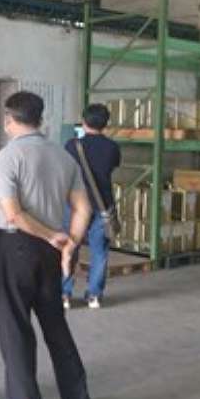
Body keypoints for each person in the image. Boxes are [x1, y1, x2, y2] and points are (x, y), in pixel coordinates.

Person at [0, 91, 93, 399]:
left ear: (9, 119)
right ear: (40, 118)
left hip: (17, 248)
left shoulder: (8, 156)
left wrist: (52, 236)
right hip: (51, 255)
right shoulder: (64, 156)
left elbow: (14, 214)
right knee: (56, 327)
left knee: (16, 331)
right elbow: (83, 209)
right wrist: (69, 242)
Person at [62, 104, 121, 310]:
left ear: (84, 121)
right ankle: (94, 295)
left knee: (70, 247)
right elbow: (112, 167)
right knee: (99, 251)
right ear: (106, 123)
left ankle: (64, 294)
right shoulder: (112, 147)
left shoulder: (72, 145)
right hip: (103, 205)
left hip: (75, 205)